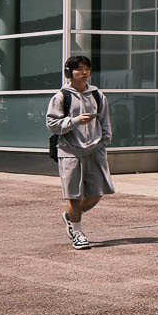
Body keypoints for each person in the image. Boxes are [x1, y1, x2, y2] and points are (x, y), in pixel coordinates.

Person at [47, 54, 111, 249]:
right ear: (69, 73)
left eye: (87, 69)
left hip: (94, 149)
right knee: (73, 194)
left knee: (97, 192)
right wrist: (75, 121)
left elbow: (104, 120)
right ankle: (78, 231)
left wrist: (104, 141)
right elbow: (52, 124)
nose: (84, 73)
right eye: (79, 69)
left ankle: (69, 216)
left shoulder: (97, 95)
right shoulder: (61, 96)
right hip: (69, 150)